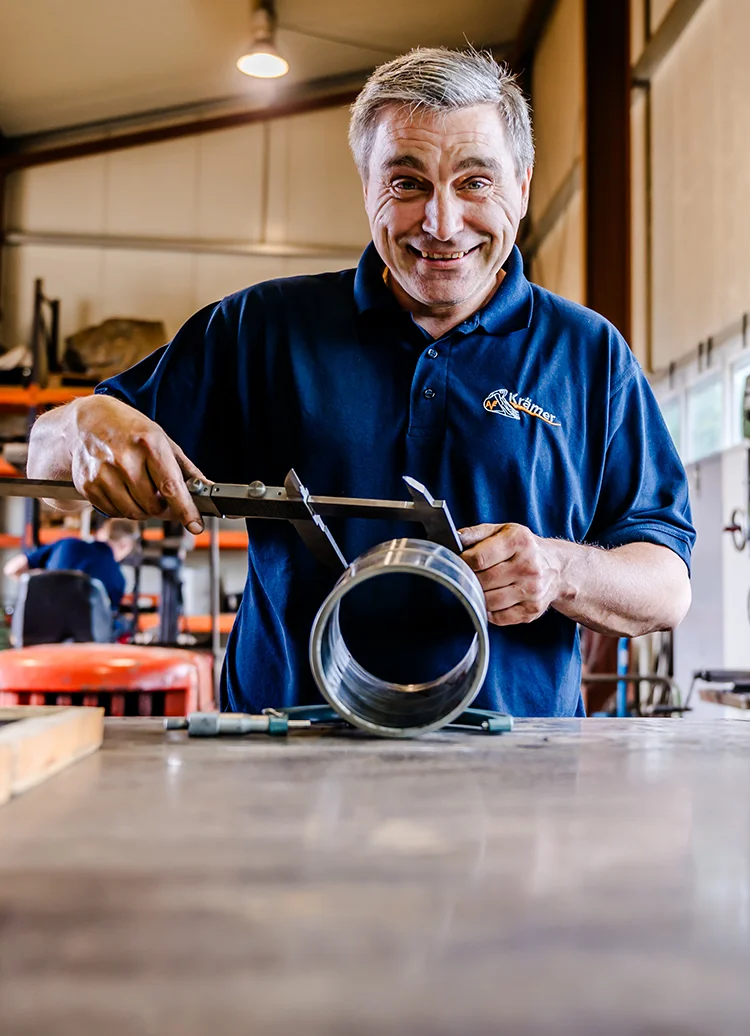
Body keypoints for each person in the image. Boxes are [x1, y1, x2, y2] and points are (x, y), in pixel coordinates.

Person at [25, 47, 695, 717]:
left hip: (514, 779)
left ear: (521, 186)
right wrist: (82, 426)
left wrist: (562, 569)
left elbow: (667, 587)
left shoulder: (587, 354)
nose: (441, 224)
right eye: (407, 183)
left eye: (474, 182)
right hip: (285, 763)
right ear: (367, 186)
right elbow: (48, 464)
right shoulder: (262, 328)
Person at [4, 517, 138, 613]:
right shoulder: (118, 580)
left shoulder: (67, 544)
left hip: (39, 631)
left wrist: (41, 580)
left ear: (101, 533)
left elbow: (12, 569)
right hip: (80, 646)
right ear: (124, 545)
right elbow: (107, 618)